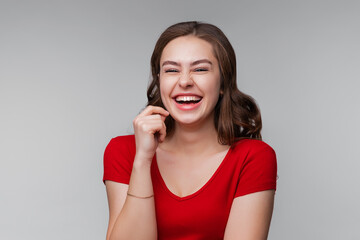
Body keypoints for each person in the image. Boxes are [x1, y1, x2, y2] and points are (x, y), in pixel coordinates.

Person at [103, 21, 277, 240]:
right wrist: (142, 161)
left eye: (200, 69)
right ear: (160, 81)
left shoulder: (253, 157)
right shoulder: (123, 151)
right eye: (172, 70)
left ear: (223, 82)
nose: (184, 81)